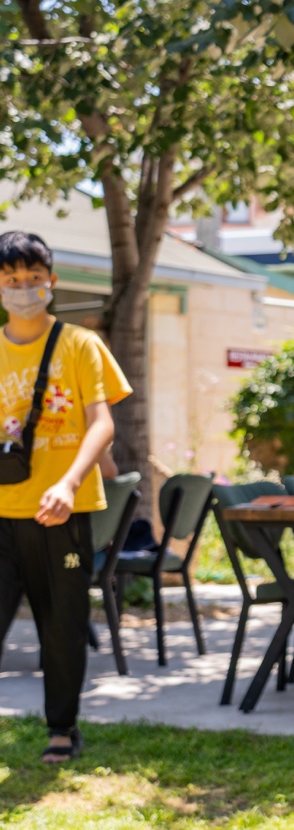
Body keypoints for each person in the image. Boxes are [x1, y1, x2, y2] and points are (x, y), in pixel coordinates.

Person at [0, 231, 132, 764]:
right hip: (3, 514)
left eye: (34, 279)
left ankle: (62, 729)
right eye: (12, 280)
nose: (24, 289)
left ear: (51, 282)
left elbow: (102, 425)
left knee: (61, 626)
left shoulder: (80, 344)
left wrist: (68, 481)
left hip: (63, 512)